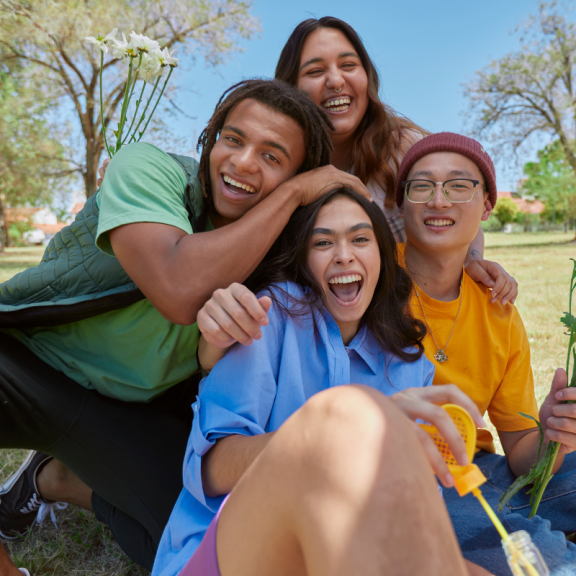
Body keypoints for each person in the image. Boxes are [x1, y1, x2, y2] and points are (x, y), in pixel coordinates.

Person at [0, 79, 369, 569]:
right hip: (30, 362)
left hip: (127, 410)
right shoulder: (146, 168)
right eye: (233, 140)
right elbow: (178, 287)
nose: (241, 163)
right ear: (211, 138)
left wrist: (470, 264)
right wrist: (297, 191)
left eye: (273, 157)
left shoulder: (277, 251)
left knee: (201, 550)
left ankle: (59, 480)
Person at [152, 186, 493, 576]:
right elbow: (210, 470)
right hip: (230, 551)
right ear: (303, 259)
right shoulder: (270, 315)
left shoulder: (410, 365)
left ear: (382, 255)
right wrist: (339, 434)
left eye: (360, 239)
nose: (344, 254)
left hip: (345, 546)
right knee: (345, 417)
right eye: (322, 242)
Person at [198, 16, 519, 349]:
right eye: (314, 71)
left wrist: (471, 261)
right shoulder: (278, 164)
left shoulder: (402, 148)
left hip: (404, 327)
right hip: (314, 337)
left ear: (367, 77)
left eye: (348, 65)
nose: (336, 80)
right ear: (289, 89)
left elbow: (455, 209)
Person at [395, 132, 576, 575]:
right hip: (407, 472)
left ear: (488, 205)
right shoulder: (369, 278)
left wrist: (554, 436)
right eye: (422, 186)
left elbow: (518, 450)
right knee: (538, 556)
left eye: (459, 186)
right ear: (402, 204)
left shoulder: (499, 313)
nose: (439, 200)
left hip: (480, 466)